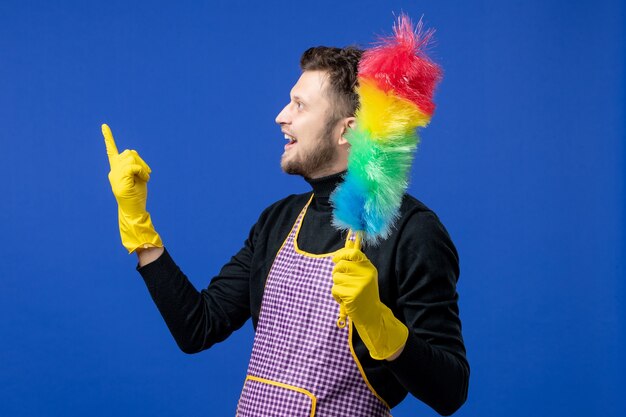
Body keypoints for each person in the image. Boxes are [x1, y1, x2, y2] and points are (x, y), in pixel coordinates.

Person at [104, 46, 469, 416]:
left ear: (348, 131)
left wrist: (380, 326)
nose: (281, 116)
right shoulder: (276, 222)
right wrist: (139, 227)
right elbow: (197, 327)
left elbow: (450, 391)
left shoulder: (412, 231)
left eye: (299, 105)